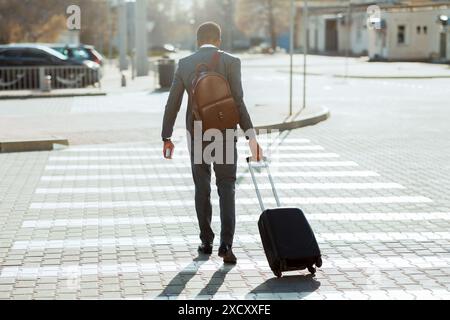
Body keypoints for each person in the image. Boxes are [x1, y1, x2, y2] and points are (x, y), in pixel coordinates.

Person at [161, 21, 263, 264]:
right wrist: (251, 137)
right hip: (225, 131)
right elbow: (238, 102)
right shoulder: (231, 62)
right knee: (227, 187)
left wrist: (166, 137)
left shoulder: (185, 64)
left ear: (198, 42)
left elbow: (172, 103)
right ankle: (226, 244)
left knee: (202, 187)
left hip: (197, 132)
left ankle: (206, 240)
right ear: (219, 40)